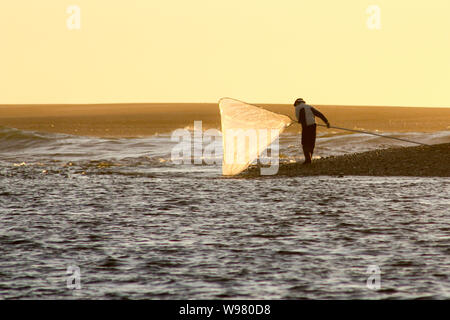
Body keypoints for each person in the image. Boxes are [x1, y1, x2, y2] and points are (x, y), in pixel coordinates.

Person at [294, 98, 330, 164]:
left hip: (306, 127)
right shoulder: (309, 107)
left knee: (305, 143)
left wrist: (300, 121)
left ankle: (308, 160)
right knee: (311, 142)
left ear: (297, 103)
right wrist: (326, 122)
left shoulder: (298, 107)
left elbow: (301, 118)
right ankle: (310, 158)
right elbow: (319, 114)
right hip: (313, 126)